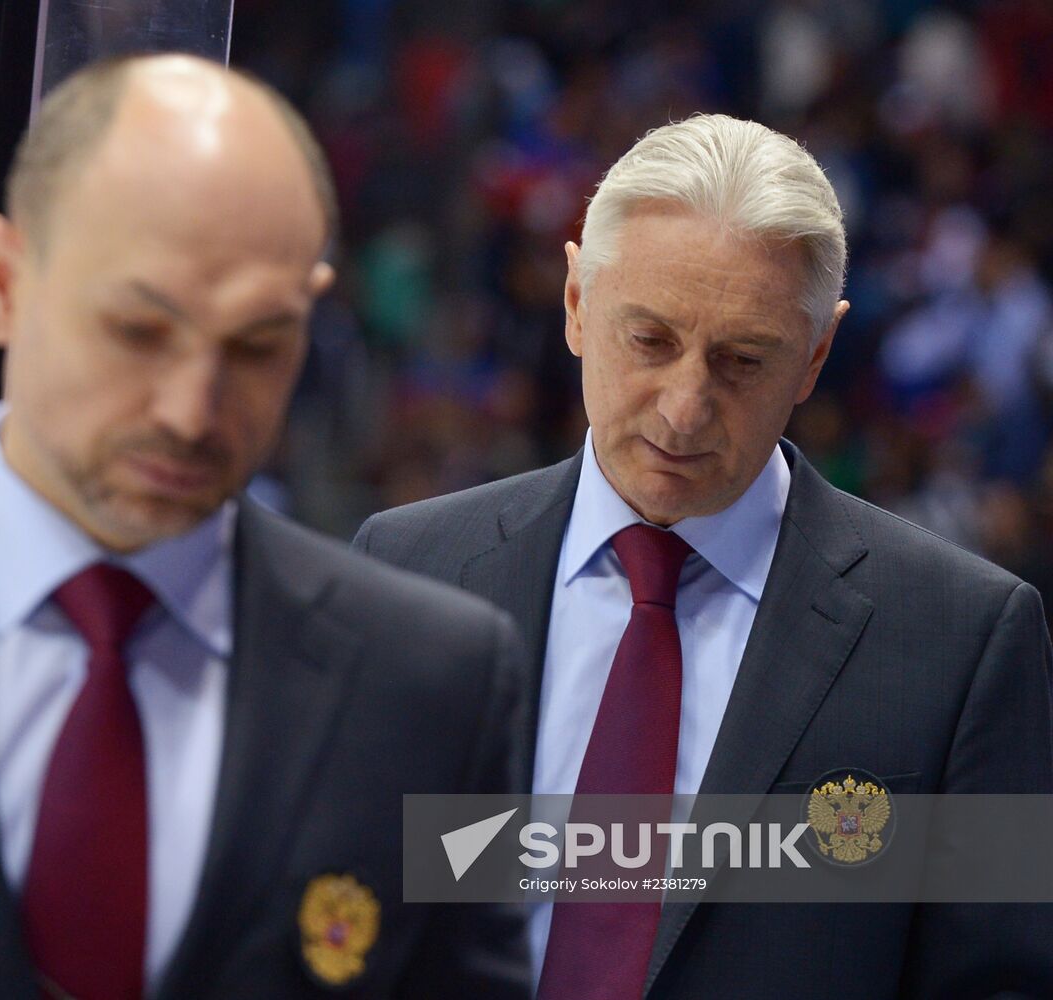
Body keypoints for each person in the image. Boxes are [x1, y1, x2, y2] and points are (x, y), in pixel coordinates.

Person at [0, 55, 532, 999]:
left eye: (256, 345)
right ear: (1, 281)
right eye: (138, 329)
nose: (191, 409)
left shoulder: (434, 685)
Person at [355, 114, 1053, 999]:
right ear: (576, 304)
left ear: (816, 356)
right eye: (649, 341)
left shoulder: (963, 638)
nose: (685, 408)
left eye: (742, 361)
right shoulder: (406, 569)